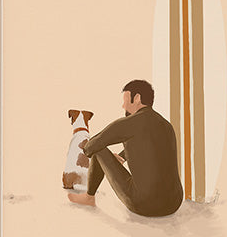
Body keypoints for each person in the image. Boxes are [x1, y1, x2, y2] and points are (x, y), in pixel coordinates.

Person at [68, 79, 183, 217]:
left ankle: (88, 197)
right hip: (174, 203)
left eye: (125, 100)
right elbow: (149, 150)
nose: (123, 106)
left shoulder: (128, 123)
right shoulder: (166, 125)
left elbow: (90, 147)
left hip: (145, 205)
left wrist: (109, 158)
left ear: (137, 98)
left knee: (99, 150)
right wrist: (121, 157)